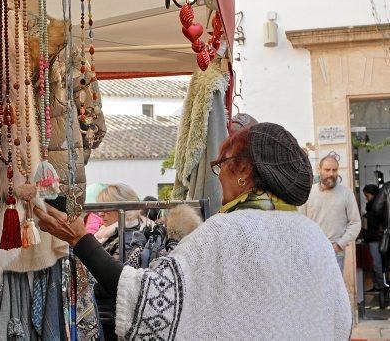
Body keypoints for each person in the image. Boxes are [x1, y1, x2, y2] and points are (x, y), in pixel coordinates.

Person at [35, 123, 352, 339]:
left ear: (243, 170)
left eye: (222, 164)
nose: (218, 175)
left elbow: (147, 299)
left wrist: (79, 238)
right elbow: (340, 323)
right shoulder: (314, 237)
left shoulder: (224, 233)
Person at [91, 184, 153, 340]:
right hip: (110, 314)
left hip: (113, 318)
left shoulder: (128, 236)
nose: (100, 213)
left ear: (123, 208)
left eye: (106, 208)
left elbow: (115, 278)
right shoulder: (112, 232)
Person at [300, 154, 361, 272]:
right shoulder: (308, 193)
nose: (331, 174)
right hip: (313, 251)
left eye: (334, 170)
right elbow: (301, 223)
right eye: (327, 170)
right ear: (319, 169)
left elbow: (355, 223)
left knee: (334, 290)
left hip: (336, 252)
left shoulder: (347, 194)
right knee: (314, 288)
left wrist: (339, 245)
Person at [362, 184, 384, 293]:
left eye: (367, 196)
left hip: (376, 239)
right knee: (374, 264)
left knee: (376, 264)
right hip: (372, 238)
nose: (366, 199)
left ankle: (382, 286)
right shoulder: (373, 207)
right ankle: (378, 285)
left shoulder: (377, 208)